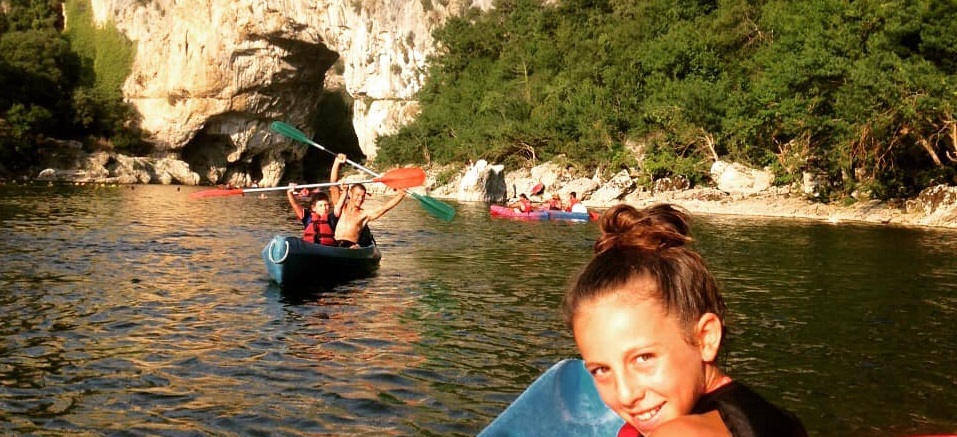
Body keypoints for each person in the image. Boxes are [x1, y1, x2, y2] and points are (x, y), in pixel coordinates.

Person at [561, 204, 807, 437]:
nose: (625, 394)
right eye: (602, 370)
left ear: (705, 338)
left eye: (644, 358)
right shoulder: (770, 417)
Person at [333, 182, 406, 248]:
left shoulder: (364, 214)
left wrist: (400, 195)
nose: (360, 199)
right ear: (350, 194)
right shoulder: (341, 207)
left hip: (351, 246)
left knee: (354, 248)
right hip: (335, 244)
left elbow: (383, 209)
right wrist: (337, 166)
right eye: (358, 195)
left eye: (363, 196)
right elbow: (334, 184)